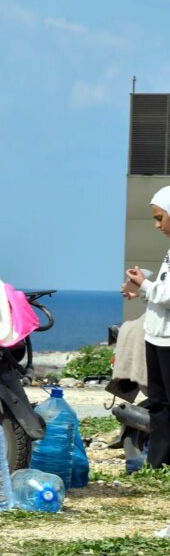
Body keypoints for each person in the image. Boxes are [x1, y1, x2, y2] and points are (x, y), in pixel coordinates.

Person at [122, 185, 170, 469]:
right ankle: (159, 463)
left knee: (166, 404)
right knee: (159, 404)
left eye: (160, 218)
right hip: (157, 337)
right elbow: (160, 293)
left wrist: (145, 285)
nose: (156, 225)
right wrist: (139, 290)